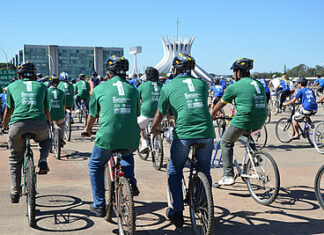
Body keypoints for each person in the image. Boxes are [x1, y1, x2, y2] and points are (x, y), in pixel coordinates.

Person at [151, 54, 215, 228]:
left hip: (184, 135)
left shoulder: (168, 86)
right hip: (207, 133)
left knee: (174, 170)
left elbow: (160, 113)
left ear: (174, 69)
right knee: (204, 169)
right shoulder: (202, 84)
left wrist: (154, 128)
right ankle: (204, 203)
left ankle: (177, 212)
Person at [83, 55, 140, 217]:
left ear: (108, 74)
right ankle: (131, 182)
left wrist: (88, 130)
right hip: (131, 136)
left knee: (95, 166)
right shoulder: (133, 90)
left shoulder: (100, 88)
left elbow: (92, 115)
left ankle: (99, 205)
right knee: (127, 154)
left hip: (108, 137)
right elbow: (137, 113)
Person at [211, 58, 267, 186]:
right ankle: (255, 154)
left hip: (243, 118)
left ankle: (228, 175)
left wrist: (212, 113)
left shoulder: (234, 86)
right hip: (260, 118)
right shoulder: (258, 83)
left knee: (226, 142)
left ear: (238, 73)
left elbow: (221, 103)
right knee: (245, 133)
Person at [2, 61, 51, 203]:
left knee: (15, 158)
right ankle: (42, 160)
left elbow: (8, 110)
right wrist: (48, 124)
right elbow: (46, 109)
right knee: (46, 140)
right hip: (39, 124)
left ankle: (15, 191)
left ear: (19, 75)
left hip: (17, 126)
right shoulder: (42, 86)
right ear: (35, 75)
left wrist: (5, 127)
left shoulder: (11, 86)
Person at [137, 67, 163, 153]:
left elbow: (137, 99)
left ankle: (144, 142)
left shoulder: (142, 86)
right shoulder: (162, 86)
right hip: (160, 115)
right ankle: (158, 142)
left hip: (146, 114)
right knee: (158, 127)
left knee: (139, 128)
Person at [47, 76, 66, 147]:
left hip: (49, 114)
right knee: (61, 124)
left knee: (45, 126)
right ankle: (61, 139)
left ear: (50, 83)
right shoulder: (61, 92)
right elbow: (64, 105)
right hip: (59, 114)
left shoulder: (46, 91)